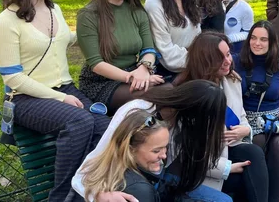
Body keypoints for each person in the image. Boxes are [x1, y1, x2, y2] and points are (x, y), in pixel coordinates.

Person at [0, 0, 110, 201]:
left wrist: (97, 34)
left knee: (105, 126)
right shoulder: (7, 21)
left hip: (63, 88)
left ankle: (87, 191)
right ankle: (61, 197)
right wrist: (59, 99)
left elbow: (64, 40)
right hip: (25, 98)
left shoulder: (53, 8)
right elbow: (13, 79)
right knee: (79, 122)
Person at [72, 80, 233, 202]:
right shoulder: (137, 112)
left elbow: (167, 169)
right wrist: (100, 196)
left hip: (160, 183)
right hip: (128, 185)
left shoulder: (183, 122)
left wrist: (226, 167)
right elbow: (88, 170)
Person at [176, 32, 269, 202]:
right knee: (248, 177)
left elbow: (241, 117)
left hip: (229, 148)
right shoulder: (190, 94)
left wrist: (245, 129)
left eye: (228, 54)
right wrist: (227, 168)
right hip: (204, 167)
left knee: (254, 153)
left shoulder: (232, 80)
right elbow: (189, 153)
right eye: (221, 58)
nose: (228, 61)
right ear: (206, 61)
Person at [77, 0, 164, 114]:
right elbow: (96, 64)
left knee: (171, 90)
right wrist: (131, 78)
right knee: (160, 95)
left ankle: (167, 137)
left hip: (134, 72)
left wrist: (144, 70)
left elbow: (149, 50)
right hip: (100, 82)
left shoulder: (137, 12)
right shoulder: (88, 15)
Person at [234, 21, 279, 202]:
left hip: (273, 119)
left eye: (263, 39)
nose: (257, 43)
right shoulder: (236, 62)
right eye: (253, 38)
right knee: (258, 142)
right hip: (245, 119)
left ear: (272, 43)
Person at [79, 109, 169, 201]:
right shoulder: (140, 191)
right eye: (156, 151)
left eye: (165, 147)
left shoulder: (104, 171)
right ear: (130, 149)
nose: (164, 155)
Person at [144, 0, 202, 81]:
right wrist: (202, 60)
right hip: (169, 75)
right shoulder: (154, 4)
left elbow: (198, 38)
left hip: (195, 67)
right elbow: (168, 56)